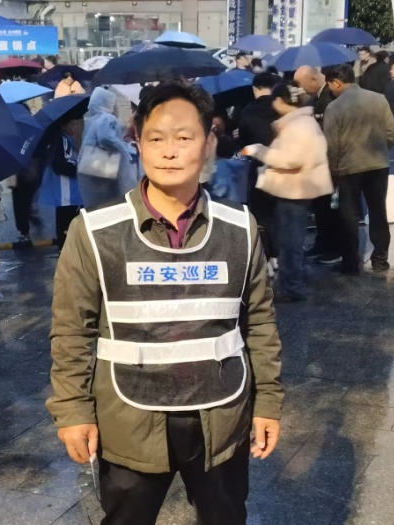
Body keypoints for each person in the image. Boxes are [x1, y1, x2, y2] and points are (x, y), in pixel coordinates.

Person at [47, 80, 283, 525]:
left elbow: (259, 323)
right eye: (156, 138)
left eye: (184, 137)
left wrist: (269, 400)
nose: (169, 152)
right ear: (137, 140)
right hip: (129, 419)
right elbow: (71, 330)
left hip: (221, 416)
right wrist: (73, 410)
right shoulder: (95, 232)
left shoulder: (240, 228)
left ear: (209, 142)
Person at [242, 83, 332, 303]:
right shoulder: (302, 122)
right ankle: (293, 282)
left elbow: (292, 159)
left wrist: (260, 151)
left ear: (281, 101)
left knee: (290, 241)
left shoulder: (298, 125)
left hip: (295, 189)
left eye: (275, 99)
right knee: (290, 238)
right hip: (297, 187)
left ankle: (293, 287)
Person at [322, 63, 394, 275]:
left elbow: (331, 145)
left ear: (337, 82)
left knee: (349, 216)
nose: (330, 90)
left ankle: (350, 263)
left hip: (349, 167)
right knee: (378, 212)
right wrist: (381, 149)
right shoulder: (378, 99)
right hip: (378, 164)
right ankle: (380, 260)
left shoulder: (334, 107)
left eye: (330, 85)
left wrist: (333, 170)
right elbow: (391, 132)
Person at [292, 65, 340, 264]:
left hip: (329, 161)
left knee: (330, 208)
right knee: (320, 207)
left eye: (303, 85)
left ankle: (333, 248)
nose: (302, 89)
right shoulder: (315, 97)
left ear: (314, 79)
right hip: (317, 162)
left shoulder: (330, 97)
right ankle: (322, 243)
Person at [234, 72, 283, 260]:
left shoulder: (247, 112)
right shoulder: (282, 108)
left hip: (259, 168)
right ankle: (283, 252)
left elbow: (245, 146)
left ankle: (268, 253)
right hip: (284, 167)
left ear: (255, 89)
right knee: (282, 211)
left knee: (262, 214)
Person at [78, 87, 138, 208]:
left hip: (90, 160)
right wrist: (124, 149)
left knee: (97, 198)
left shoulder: (91, 119)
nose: (115, 107)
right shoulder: (106, 118)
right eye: (113, 103)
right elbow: (105, 138)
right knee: (111, 197)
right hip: (104, 160)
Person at [39, 117, 83, 249]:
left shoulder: (66, 138)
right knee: (66, 221)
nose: (75, 127)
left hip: (68, 189)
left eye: (76, 124)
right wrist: (79, 169)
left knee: (66, 220)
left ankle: (65, 248)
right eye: (72, 124)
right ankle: (64, 249)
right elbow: (62, 165)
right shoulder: (61, 139)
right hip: (65, 189)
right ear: (63, 125)